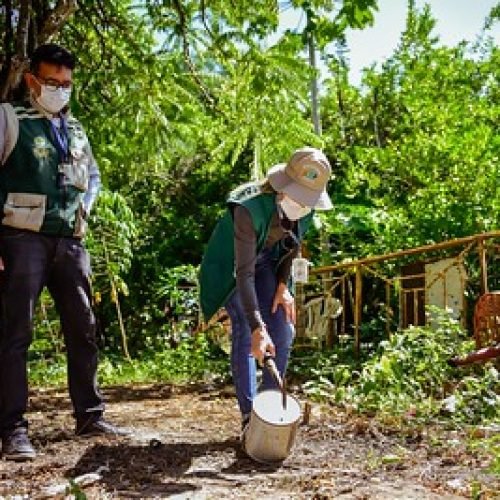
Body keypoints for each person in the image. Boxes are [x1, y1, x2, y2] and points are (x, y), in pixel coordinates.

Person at [0, 44, 123, 461]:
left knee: (83, 328)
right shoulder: (9, 119)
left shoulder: (76, 129)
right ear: (31, 80)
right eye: (52, 82)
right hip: (21, 239)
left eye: (66, 84)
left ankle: (89, 413)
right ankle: (13, 429)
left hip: (70, 241)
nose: (60, 91)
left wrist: (85, 207)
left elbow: (92, 176)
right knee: (17, 334)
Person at [199, 147, 333, 430]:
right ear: (283, 187)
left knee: (284, 327)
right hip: (233, 269)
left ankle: (269, 411)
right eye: (299, 197)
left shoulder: (305, 211)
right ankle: (250, 418)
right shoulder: (249, 208)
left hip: (269, 265)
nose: (304, 206)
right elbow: (243, 274)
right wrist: (258, 328)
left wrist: (283, 286)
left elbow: (292, 246)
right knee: (247, 331)